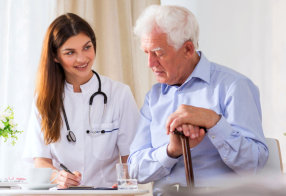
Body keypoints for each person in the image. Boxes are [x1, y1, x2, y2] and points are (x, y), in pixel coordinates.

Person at [128, 5, 268, 195]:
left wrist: (214, 122)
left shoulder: (233, 86)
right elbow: (135, 170)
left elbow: (254, 165)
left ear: (188, 49)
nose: (150, 64)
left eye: (158, 53)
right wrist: (171, 151)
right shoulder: (154, 97)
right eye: (147, 53)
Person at [23, 13, 139, 188]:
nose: (82, 58)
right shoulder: (43, 100)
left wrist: (125, 184)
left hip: (106, 192)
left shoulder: (119, 94)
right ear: (55, 57)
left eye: (87, 47)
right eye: (70, 52)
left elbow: (132, 157)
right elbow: (40, 159)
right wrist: (57, 177)